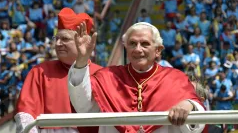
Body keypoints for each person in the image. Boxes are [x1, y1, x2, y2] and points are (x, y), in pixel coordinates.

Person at [68, 22, 205, 133]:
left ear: (158, 50)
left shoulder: (175, 78)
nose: (138, 49)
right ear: (126, 48)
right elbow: (82, 106)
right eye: (132, 43)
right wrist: (82, 60)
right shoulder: (107, 76)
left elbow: (196, 118)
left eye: (145, 44)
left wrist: (188, 105)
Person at [14, 8, 102, 133]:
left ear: (81, 41)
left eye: (65, 39)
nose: (58, 43)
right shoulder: (40, 71)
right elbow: (26, 112)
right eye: (57, 38)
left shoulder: (101, 74)